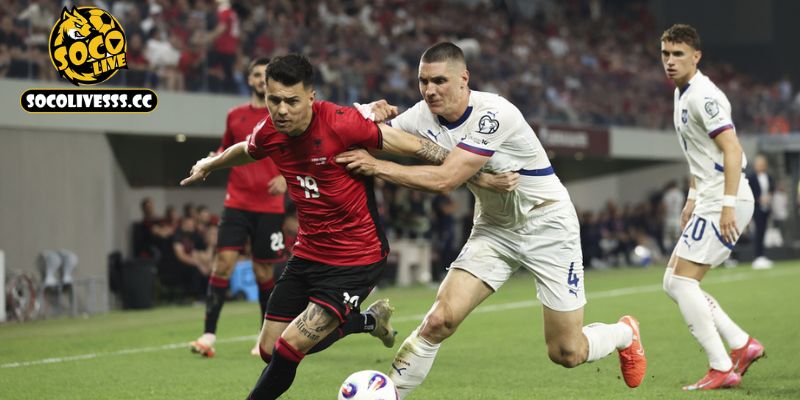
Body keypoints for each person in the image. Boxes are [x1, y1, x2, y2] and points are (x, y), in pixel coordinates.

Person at [180, 54, 512, 400]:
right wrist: (210, 164)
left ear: (311, 97)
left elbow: (415, 146)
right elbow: (246, 150)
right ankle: (367, 321)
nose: (281, 110)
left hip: (356, 257)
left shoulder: (341, 123)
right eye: (274, 100)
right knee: (268, 349)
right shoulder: (270, 131)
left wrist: (476, 174)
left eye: (292, 101)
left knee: (289, 348)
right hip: (308, 253)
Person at [336, 42, 647, 399]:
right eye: (423, 81)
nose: (429, 90)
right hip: (495, 229)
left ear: (464, 79)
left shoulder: (494, 114)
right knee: (439, 320)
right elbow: (366, 136)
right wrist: (366, 113)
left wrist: (376, 167)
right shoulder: (421, 115)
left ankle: (625, 333)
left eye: (439, 81)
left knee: (567, 351)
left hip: (548, 226)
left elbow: (446, 179)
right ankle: (388, 394)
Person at [660, 24, 764, 390]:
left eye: (678, 54)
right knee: (672, 283)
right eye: (666, 53)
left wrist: (727, 206)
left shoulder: (704, 96)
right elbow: (700, 154)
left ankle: (721, 366)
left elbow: (732, 150)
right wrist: (693, 198)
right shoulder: (682, 93)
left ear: (696, 57)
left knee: (683, 282)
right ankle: (741, 344)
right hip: (708, 197)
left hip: (724, 198)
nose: (670, 61)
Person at [189, 58, 289, 359]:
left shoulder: (282, 115)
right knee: (223, 263)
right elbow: (226, 148)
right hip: (237, 202)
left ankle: (264, 338)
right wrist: (214, 157)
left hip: (269, 205)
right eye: (257, 75)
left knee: (263, 271)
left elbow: (295, 153)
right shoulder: (235, 115)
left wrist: (285, 178)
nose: (261, 80)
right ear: (249, 80)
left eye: (265, 75)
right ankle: (208, 334)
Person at [747, 154, 775, 269]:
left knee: (763, 232)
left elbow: (772, 189)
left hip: (766, 209)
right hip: (756, 208)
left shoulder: (769, 177)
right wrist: (759, 199)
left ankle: (762, 256)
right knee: (757, 232)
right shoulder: (751, 177)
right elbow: (749, 192)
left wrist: (769, 197)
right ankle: (757, 256)